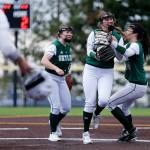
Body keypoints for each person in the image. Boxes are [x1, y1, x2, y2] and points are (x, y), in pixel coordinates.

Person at [82, 10, 124, 144]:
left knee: (104, 101)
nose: (109, 21)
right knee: (89, 102)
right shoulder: (93, 33)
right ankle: (86, 134)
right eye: (106, 19)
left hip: (107, 71)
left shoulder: (117, 35)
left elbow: (120, 58)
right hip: (91, 69)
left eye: (111, 19)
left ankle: (96, 113)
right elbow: (88, 51)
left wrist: (114, 43)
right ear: (101, 22)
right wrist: (97, 55)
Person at [107, 23, 149, 142]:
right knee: (124, 108)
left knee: (110, 103)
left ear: (135, 33)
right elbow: (120, 57)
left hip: (136, 85)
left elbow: (127, 53)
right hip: (136, 85)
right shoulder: (130, 44)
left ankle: (131, 130)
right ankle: (129, 132)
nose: (126, 31)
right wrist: (113, 44)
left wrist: (114, 43)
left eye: (129, 29)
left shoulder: (136, 45)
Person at [41, 25, 73, 142]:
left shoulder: (68, 46)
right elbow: (44, 61)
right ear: (60, 34)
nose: (69, 34)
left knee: (66, 108)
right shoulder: (54, 46)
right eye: (66, 32)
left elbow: (66, 62)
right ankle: (53, 133)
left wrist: (68, 73)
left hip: (61, 79)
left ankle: (54, 121)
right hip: (50, 78)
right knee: (56, 107)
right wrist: (55, 68)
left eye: (70, 32)